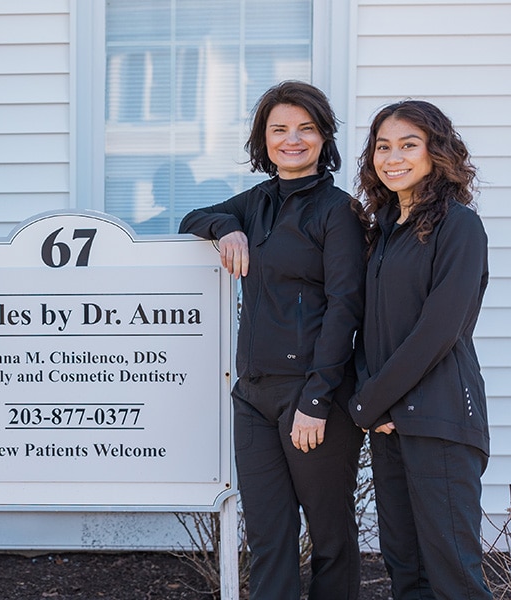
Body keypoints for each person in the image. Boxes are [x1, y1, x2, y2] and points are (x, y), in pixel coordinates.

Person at [178, 81, 366, 598]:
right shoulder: (257, 202)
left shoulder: (339, 212)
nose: (293, 140)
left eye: (306, 129)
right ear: (263, 139)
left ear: (325, 137)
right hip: (254, 396)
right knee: (268, 537)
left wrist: (317, 399)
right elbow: (191, 218)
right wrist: (225, 228)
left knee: (330, 536)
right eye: (279, 129)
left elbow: (346, 308)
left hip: (312, 394)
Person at [351, 100, 491, 599]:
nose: (393, 157)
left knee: (453, 577)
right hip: (389, 424)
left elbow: (439, 331)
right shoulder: (383, 231)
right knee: (406, 573)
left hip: (441, 421)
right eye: (383, 146)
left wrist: (369, 403)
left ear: (437, 151)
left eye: (408, 144)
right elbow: (369, 329)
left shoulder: (459, 226)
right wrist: (374, 405)